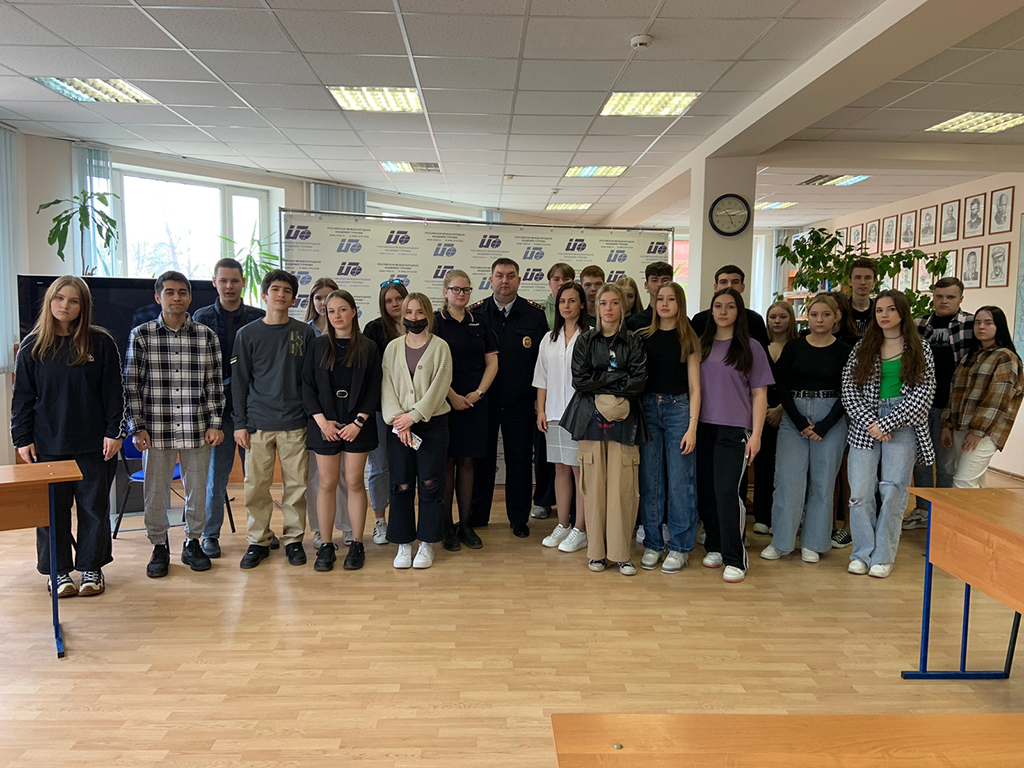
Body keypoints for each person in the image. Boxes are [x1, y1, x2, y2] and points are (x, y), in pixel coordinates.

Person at [11, 276, 125, 597]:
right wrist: (21, 438)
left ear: (83, 306)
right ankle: (58, 571)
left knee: (94, 509)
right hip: (48, 444)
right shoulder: (33, 346)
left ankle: (91, 567)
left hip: (95, 444)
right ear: (50, 301)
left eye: (74, 301)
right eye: (59, 298)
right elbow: (22, 398)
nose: (65, 305)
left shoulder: (101, 342)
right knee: (52, 512)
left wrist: (114, 432)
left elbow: (114, 393)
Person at [125, 271, 225, 579]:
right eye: (169, 292)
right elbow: (131, 384)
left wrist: (215, 423)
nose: (176, 297)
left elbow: (214, 385)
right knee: (155, 492)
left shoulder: (206, 336)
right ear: (158, 297)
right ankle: (159, 546)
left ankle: (193, 542)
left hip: (197, 428)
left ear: (190, 297)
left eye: (182, 292)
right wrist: (136, 426)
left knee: (197, 490)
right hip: (156, 430)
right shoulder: (142, 335)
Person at [842, 290, 935, 579]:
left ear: (902, 312)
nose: (884, 315)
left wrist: (888, 423)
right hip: (865, 424)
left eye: (891, 309)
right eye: (879, 310)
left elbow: (923, 395)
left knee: (893, 491)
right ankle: (861, 553)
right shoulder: (863, 347)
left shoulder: (920, 348)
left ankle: (883, 556)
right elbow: (849, 390)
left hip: (903, 424)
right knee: (859, 493)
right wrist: (872, 422)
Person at [561, 283, 649, 576]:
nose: (608, 309)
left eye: (614, 303)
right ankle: (597, 553)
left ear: (623, 307)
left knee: (623, 490)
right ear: (596, 307)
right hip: (589, 422)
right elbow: (580, 381)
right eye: (603, 303)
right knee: (594, 489)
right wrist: (616, 377)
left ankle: (621, 554)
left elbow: (639, 382)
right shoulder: (585, 341)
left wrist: (602, 380)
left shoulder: (634, 342)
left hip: (626, 424)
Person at [232, 269, 317, 569]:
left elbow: (312, 380)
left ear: (294, 299)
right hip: (257, 423)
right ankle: (259, 540)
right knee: (256, 486)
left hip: (295, 422)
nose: (281, 295)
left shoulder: (305, 333)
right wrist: (239, 423)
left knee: (296, 486)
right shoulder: (247, 334)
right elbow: (239, 381)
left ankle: (294, 539)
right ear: (264, 295)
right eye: (275, 290)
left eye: (287, 291)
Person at [761, 295, 851, 564]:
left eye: (826, 315)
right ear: (807, 317)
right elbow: (781, 385)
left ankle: (814, 542)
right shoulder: (794, 347)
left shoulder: (845, 351)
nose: (819, 320)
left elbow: (849, 391)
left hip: (830, 416)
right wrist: (799, 420)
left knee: (823, 483)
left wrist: (825, 425)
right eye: (814, 314)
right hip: (794, 415)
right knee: (787, 481)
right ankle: (782, 541)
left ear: (836, 317)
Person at [695, 288, 773, 583]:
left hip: (735, 429)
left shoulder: (751, 347)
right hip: (703, 427)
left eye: (729, 306)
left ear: (739, 311)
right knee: (707, 491)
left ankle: (735, 557)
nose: (723, 311)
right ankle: (715, 546)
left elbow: (760, 394)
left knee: (728, 493)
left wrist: (756, 435)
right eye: (718, 306)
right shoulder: (701, 345)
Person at [302, 289, 381, 572]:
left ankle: (357, 543)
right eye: (331, 311)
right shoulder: (317, 346)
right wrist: (322, 422)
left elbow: (374, 387)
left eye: (342, 309)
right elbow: (307, 386)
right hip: (324, 423)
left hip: (358, 424)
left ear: (354, 311)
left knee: (355, 481)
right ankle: (326, 544)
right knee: (327, 482)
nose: (336, 315)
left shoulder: (369, 346)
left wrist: (359, 422)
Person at [192, 258, 266, 559]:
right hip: (217, 413)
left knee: (257, 477)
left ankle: (260, 533)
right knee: (216, 477)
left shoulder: (259, 317)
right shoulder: (201, 317)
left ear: (243, 282)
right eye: (223, 281)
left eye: (235, 281)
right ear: (214, 282)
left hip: (252, 410)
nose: (229, 286)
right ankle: (210, 535)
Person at [469, 258, 548, 536]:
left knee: (520, 461)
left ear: (519, 280)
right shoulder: (475, 313)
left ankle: (518, 519)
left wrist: (540, 400)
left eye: (511, 275)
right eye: (500, 275)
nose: (505, 280)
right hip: (484, 402)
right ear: (490, 279)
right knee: (482, 461)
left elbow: (542, 362)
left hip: (521, 402)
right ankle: (477, 516)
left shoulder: (535, 315)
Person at [381, 293, 453, 569]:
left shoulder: (441, 347)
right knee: (401, 484)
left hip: (431, 424)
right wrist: (399, 420)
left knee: (430, 482)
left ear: (428, 315)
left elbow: (440, 387)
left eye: (420, 312)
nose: (414, 317)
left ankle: (426, 542)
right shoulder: (392, 348)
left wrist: (413, 416)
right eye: (409, 312)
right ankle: (403, 542)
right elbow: (386, 386)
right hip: (398, 427)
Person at [637, 282, 702, 574]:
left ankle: (679, 547)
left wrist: (692, 427)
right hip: (649, 409)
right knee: (651, 481)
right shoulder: (643, 337)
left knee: (680, 482)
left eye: (671, 299)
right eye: (660, 298)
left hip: (679, 411)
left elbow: (695, 387)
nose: (664, 304)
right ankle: (653, 543)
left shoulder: (689, 338)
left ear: (680, 303)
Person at [434, 269, 498, 552]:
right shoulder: (435, 322)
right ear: (445, 292)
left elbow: (492, 363)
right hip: (443, 402)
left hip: (474, 403)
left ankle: (466, 525)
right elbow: (431, 366)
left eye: (466, 289)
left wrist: (478, 393)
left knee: (468, 462)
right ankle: (447, 527)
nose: (461, 294)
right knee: (447, 463)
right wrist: (452, 396)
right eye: (456, 289)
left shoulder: (480, 321)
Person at [903, 278, 973, 530]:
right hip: (921, 404)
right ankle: (922, 510)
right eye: (939, 296)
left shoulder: (970, 324)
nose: (944, 301)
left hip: (951, 406)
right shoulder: (919, 324)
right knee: (921, 460)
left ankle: (943, 511)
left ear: (960, 299)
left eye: (950, 297)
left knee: (945, 463)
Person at [533, 282, 588, 554]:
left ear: (581, 304)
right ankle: (563, 524)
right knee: (560, 469)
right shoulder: (549, 338)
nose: (566, 306)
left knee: (580, 472)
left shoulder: (590, 336)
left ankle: (581, 529)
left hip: (581, 416)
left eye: (572, 300)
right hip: (554, 413)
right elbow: (541, 377)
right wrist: (541, 410)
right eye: (563, 301)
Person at [941, 307, 1023, 488]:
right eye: (977, 323)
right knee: (973, 483)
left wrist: (977, 431)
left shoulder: (1005, 357)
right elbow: (954, 393)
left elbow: (998, 399)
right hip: (961, 426)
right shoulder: (970, 357)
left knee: (963, 483)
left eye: (988, 323)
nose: (981, 327)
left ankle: (958, 511)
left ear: (999, 326)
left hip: (985, 432)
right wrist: (946, 425)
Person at [302, 276, 353, 549]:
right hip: (317, 417)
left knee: (347, 477)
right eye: (319, 298)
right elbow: (307, 381)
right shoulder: (306, 332)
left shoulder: (353, 337)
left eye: (330, 298)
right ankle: (320, 529)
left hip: (346, 417)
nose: (324, 304)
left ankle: (347, 525)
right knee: (319, 479)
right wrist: (320, 419)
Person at [361, 279, 409, 545]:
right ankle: (380, 519)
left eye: (399, 298)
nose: (395, 304)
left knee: (407, 466)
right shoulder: (374, 329)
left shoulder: (420, 325)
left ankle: (403, 519)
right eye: (389, 300)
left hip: (412, 411)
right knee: (380, 466)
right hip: (381, 410)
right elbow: (369, 371)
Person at [752, 301, 796, 535]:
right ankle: (762, 516)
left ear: (791, 319)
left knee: (788, 468)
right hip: (762, 412)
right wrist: (766, 409)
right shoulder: (760, 347)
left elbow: (798, 383)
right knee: (763, 466)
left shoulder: (798, 346)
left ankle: (783, 518)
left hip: (791, 413)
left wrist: (781, 409)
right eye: (772, 317)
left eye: (782, 316)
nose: (777, 321)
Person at [689, 265, 770, 350]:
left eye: (735, 282)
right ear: (715, 287)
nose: (729, 286)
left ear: (742, 287)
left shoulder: (755, 320)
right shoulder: (699, 320)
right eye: (723, 282)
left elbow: (762, 353)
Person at [625, 261, 674, 332]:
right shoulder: (634, 323)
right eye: (654, 280)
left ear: (672, 284)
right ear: (646, 285)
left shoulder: (682, 322)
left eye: (665, 280)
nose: (660, 284)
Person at [848, 257, 876, 335]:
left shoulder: (878, 312)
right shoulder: (841, 311)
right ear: (850, 281)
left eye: (867, 278)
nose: (863, 282)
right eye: (858, 278)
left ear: (874, 281)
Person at [543, 263, 575, 330]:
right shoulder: (539, 310)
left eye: (566, 279)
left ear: (573, 282)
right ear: (550, 284)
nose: (561, 283)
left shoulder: (579, 307)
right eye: (556, 279)